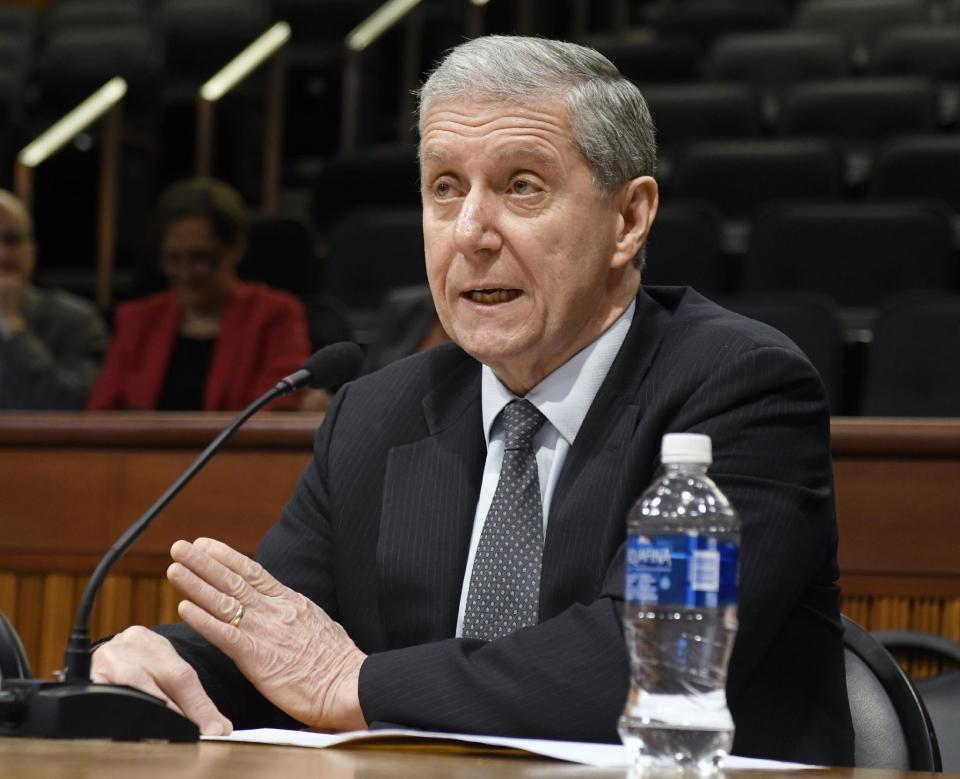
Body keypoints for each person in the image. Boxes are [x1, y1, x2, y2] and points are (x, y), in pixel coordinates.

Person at [92, 37, 854, 765]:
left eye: (522, 186)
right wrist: (164, 669)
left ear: (629, 219)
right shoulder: (374, 416)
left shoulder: (740, 388)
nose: (470, 232)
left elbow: (636, 663)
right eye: (444, 188)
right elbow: (279, 648)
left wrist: (352, 684)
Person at [87, 178, 310, 411]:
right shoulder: (137, 320)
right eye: (173, 258)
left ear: (235, 248)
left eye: (200, 258)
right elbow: (100, 413)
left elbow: (273, 407)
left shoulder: (274, 315)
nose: (184, 273)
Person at [0, 189, 107, 409]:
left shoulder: (75, 321)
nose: (3, 255)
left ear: (32, 252)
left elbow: (69, 406)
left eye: (12, 240)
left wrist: (15, 329)